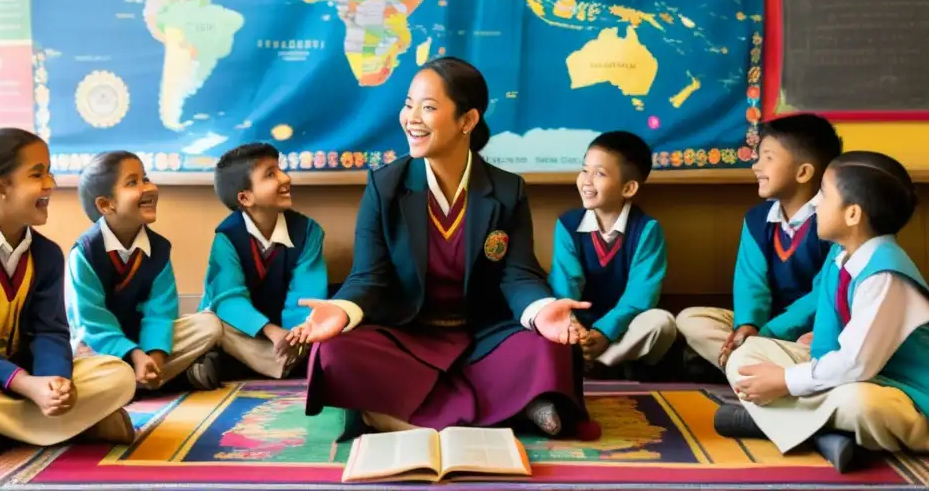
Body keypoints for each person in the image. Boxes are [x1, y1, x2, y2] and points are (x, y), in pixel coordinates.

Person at [291, 57, 595, 439]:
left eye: (429, 107)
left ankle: (393, 415)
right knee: (335, 351)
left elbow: (518, 274)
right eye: (408, 104)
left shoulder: (506, 190)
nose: (411, 118)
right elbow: (369, 276)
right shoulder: (385, 186)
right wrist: (342, 310)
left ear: (467, 121)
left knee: (550, 347)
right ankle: (516, 407)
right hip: (406, 334)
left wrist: (542, 311)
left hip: (484, 333)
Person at [719, 152, 929, 472]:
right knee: (747, 355)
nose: (814, 203)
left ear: (852, 214)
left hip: (922, 391)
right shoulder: (841, 256)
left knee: (859, 404)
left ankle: (787, 424)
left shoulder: (886, 274)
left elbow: (855, 364)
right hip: (871, 374)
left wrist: (785, 380)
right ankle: (826, 431)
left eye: (824, 194)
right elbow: (834, 346)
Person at [0, 128, 136, 467]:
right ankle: (81, 426)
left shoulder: (48, 255)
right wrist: (28, 386)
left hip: (30, 375)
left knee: (119, 374)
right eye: (37, 174)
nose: (50, 184)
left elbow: (51, 331)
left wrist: (55, 379)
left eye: (49, 172)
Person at [677, 114, 842, 370]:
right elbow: (751, 282)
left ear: (803, 172)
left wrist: (767, 333)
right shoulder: (757, 219)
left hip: (814, 329)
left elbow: (823, 296)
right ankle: (757, 366)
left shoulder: (834, 221)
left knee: (820, 345)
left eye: (768, 158)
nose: (756, 166)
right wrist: (747, 326)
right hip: (764, 327)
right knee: (692, 319)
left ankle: (745, 365)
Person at [67, 151, 222, 392]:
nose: (147, 188)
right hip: (101, 346)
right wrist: (135, 355)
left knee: (209, 325)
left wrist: (154, 358)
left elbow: (160, 314)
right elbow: (91, 323)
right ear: (106, 205)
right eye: (133, 182)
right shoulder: (85, 253)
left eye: (146, 178)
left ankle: (145, 378)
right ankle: (163, 377)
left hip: (143, 340)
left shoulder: (159, 249)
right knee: (83, 360)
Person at [548, 131, 675, 376]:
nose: (586, 180)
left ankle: (596, 363)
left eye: (600, 174)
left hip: (623, 328)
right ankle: (587, 357)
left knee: (662, 324)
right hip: (579, 329)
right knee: (537, 323)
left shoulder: (646, 230)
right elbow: (565, 287)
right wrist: (576, 329)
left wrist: (605, 332)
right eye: (585, 169)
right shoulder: (567, 225)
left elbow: (640, 296)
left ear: (628, 188)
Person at [199, 143, 328, 379]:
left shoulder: (308, 232)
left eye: (280, 169)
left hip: (287, 333)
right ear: (245, 198)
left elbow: (306, 296)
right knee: (211, 325)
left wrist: (292, 335)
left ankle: (234, 364)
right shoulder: (227, 238)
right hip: (243, 329)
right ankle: (284, 364)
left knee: (330, 326)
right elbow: (228, 300)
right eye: (270, 174)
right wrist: (270, 331)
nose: (285, 178)